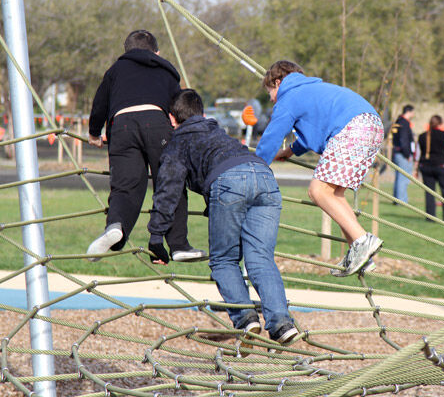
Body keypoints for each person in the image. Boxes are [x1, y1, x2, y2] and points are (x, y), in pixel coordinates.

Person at [148, 89, 298, 345]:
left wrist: (156, 236)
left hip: (229, 182)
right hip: (265, 177)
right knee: (261, 258)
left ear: (172, 120)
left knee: (224, 260)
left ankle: (245, 318)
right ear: (203, 113)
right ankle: (282, 324)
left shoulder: (177, 143)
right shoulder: (219, 133)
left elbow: (167, 192)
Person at [255, 60, 384, 277]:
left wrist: (255, 165)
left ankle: (363, 240)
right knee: (334, 193)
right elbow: (312, 130)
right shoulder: (310, 90)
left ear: (278, 82)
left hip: (352, 128)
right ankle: (360, 254)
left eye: (270, 91)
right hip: (371, 126)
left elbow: (272, 136)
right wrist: (289, 152)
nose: (270, 98)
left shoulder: (289, 96)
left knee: (317, 191)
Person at [86, 30, 204, 262]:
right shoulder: (167, 70)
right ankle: (179, 245)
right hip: (158, 124)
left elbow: (100, 102)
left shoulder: (116, 70)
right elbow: (178, 106)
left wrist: (93, 133)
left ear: (127, 52)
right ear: (157, 53)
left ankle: (115, 227)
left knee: (124, 186)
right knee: (171, 182)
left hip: (122, 125)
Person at [414, 115, 444, 223]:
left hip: (426, 167)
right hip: (442, 167)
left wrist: (416, 169)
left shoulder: (422, 136)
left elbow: (417, 155)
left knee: (429, 193)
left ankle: (430, 217)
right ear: (440, 124)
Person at [391, 105, 415, 203]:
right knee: (403, 178)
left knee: (399, 177)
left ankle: (396, 199)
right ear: (409, 112)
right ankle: (401, 200)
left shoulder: (398, 121)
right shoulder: (404, 123)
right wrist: (407, 154)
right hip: (402, 154)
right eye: (413, 112)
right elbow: (404, 140)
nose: (413, 114)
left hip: (396, 152)